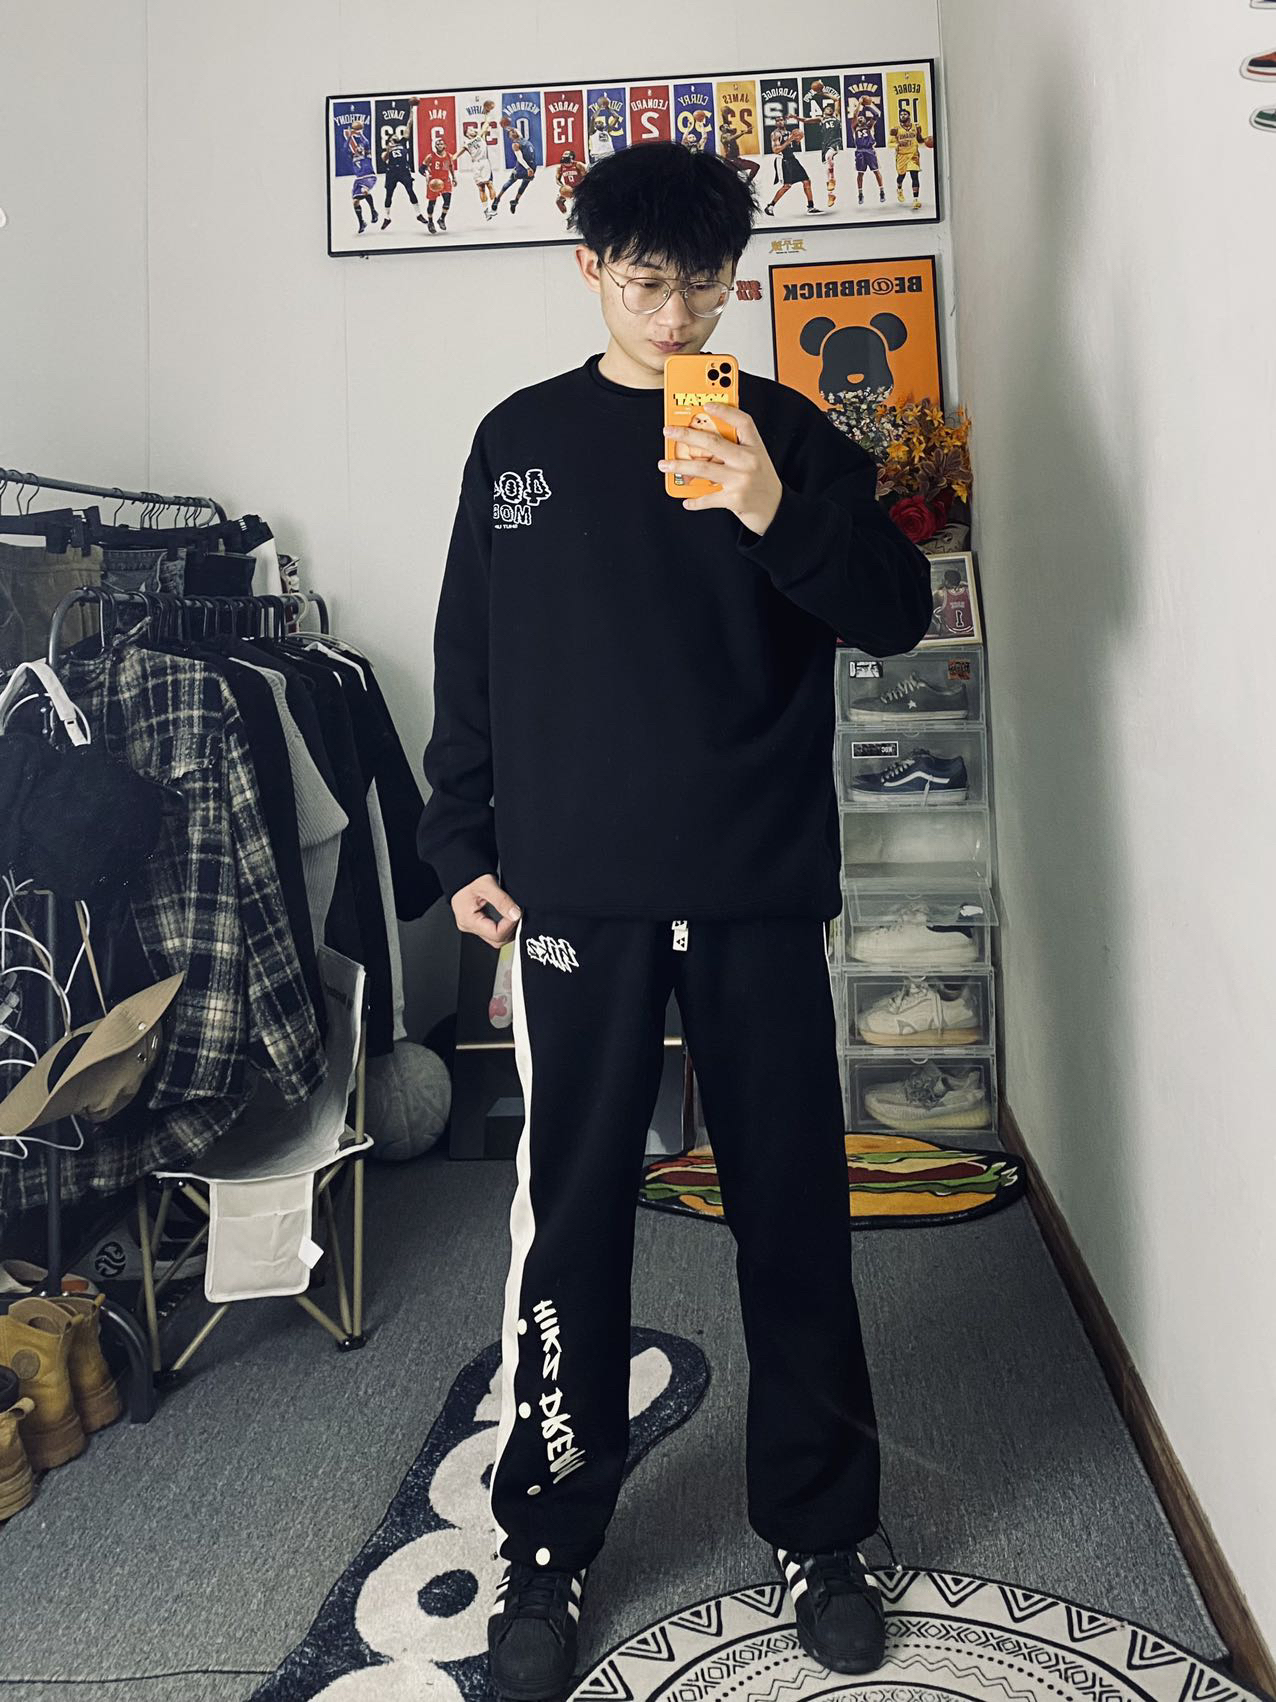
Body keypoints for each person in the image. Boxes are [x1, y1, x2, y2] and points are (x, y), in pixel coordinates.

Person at [417, 140, 932, 1702]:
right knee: (572, 1218)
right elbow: (471, 653)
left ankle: (822, 1530)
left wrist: (772, 503)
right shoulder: (518, 441)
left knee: (794, 1207)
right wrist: (457, 835)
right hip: (575, 890)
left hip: (754, 881)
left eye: (705, 286)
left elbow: (895, 609)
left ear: (732, 280)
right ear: (589, 266)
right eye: (647, 281)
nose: (675, 314)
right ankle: (547, 1541)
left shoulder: (785, 429)